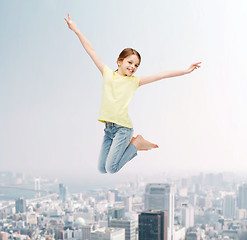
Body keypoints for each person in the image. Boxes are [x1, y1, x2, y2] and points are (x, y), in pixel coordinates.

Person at [64, 13, 201, 174]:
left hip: (123, 128)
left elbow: (162, 74)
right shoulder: (107, 73)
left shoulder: (134, 81)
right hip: (108, 129)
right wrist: (76, 30)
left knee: (111, 168)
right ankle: (136, 145)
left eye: (136, 65)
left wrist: (185, 71)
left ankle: (137, 143)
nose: (133, 67)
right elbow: (91, 51)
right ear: (119, 61)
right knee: (102, 169)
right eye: (130, 62)